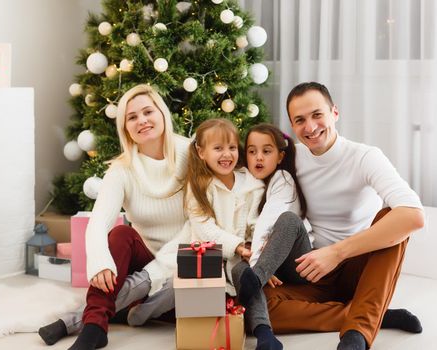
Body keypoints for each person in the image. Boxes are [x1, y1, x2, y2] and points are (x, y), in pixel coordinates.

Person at [250, 82, 424, 350]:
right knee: (255, 306)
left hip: (359, 269)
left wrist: (337, 253)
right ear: (292, 126)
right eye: (300, 120)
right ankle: (371, 315)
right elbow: (268, 200)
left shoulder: (365, 157)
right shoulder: (291, 158)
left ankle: (357, 333)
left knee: (394, 218)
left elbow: (414, 216)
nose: (310, 127)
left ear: (334, 113)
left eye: (317, 115)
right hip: (313, 271)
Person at [40, 84, 190, 349]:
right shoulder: (121, 170)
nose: (141, 120)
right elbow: (98, 224)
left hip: (186, 259)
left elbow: (201, 222)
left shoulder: (190, 155)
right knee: (121, 234)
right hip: (143, 260)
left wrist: (156, 273)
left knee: (177, 291)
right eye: (132, 117)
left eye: (147, 112)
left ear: (162, 113)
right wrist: (100, 263)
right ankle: (95, 328)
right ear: (125, 127)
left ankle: (75, 321)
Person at [184, 119, 288, 350]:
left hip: (241, 259)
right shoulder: (200, 187)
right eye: (218, 148)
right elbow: (204, 228)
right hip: (206, 258)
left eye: (231, 147)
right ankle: (134, 310)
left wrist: (257, 257)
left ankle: (265, 334)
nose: (226, 154)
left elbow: (256, 225)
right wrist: (239, 246)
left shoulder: (253, 186)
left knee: (247, 276)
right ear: (201, 152)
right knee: (169, 295)